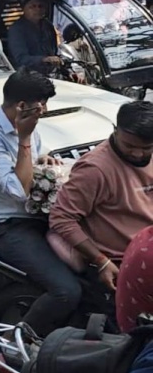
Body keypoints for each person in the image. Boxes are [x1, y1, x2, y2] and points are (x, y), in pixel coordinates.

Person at [0, 69, 78, 337]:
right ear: (21, 106)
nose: (45, 109)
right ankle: (15, 344)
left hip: (40, 217)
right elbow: (18, 190)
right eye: (41, 104)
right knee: (66, 291)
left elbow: (38, 156)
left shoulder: (28, 126)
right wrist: (24, 139)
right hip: (7, 225)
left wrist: (45, 159)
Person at [50, 100, 153, 291]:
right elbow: (62, 218)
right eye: (129, 145)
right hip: (125, 260)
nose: (138, 154)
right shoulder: (95, 169)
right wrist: (101, 261)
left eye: (146, 147)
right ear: (115, 130)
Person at [6, 0, 61, 76]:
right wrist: (43, 59)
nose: (37, 9)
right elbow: (21, 59)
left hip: (50, 72)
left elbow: (54, 51)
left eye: (40, 6)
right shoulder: (17, 30)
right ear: (24, 9)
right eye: (33, 6)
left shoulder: (48, 26)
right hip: (27, 75)